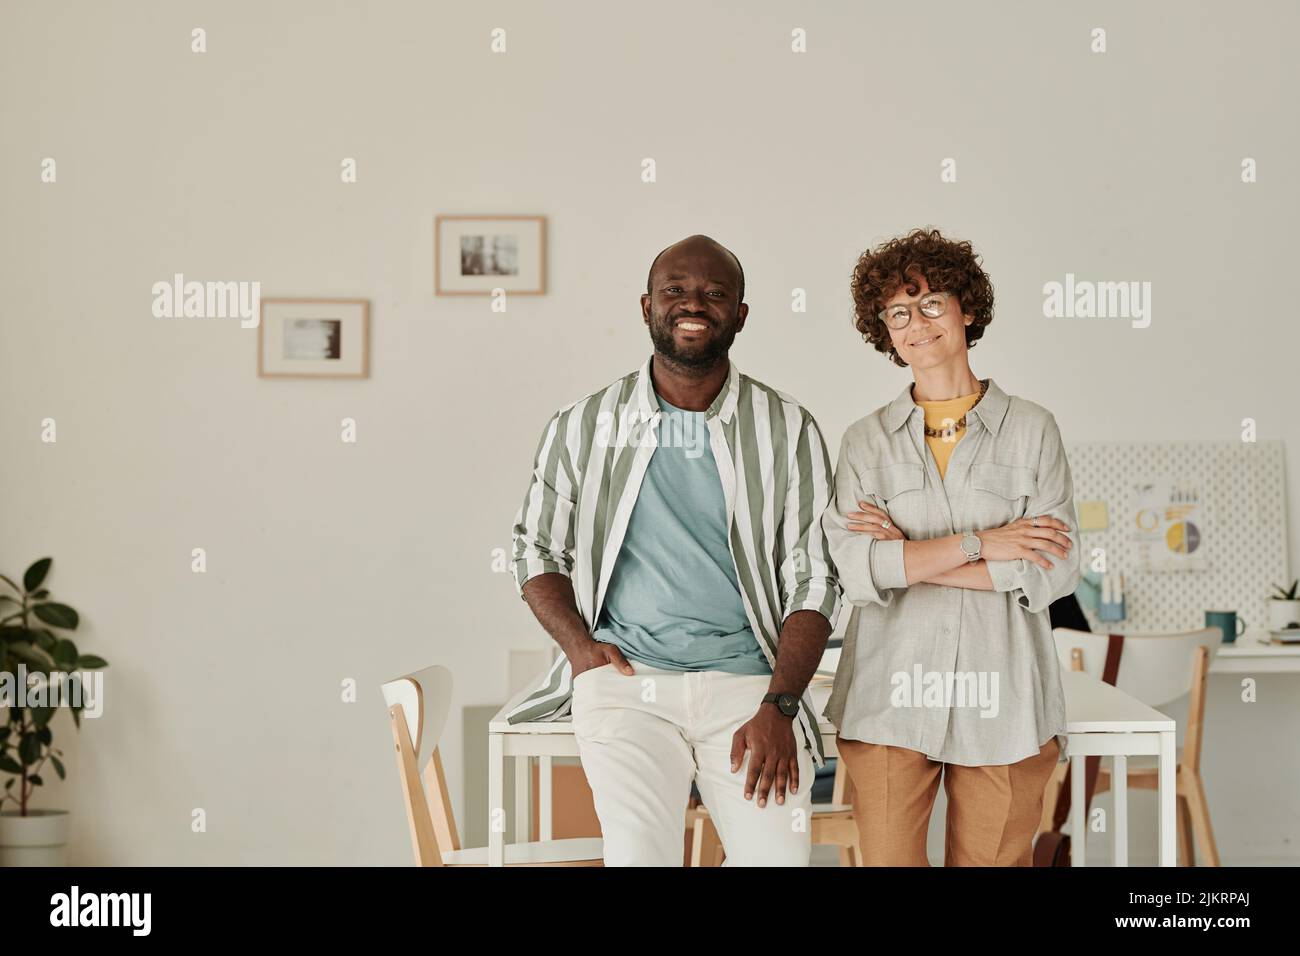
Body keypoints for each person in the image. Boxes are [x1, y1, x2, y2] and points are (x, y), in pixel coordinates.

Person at [508, 235, 841, 866]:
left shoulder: (787, 428)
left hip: (752, 687)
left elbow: (817, 577)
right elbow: (534, 549)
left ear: (740, 315)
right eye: (676, 290)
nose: (694, 303)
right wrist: (582, 651)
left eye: (715, 293)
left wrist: (780, 703)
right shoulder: (582, 424)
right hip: (627, 684)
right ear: (646, 306)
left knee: (778, 862)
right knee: (640, 857)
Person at [822, 227, 1080, 866]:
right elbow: (856, 568)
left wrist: (910, 557)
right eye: (898, 313)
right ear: (884, 330)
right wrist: (986, 545)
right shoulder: (864, 442)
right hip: (889, 694)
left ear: (967, 308)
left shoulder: (1033, 431)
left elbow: (1053, 570)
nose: (917, 323)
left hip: (1007, 699)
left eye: (932, 302)